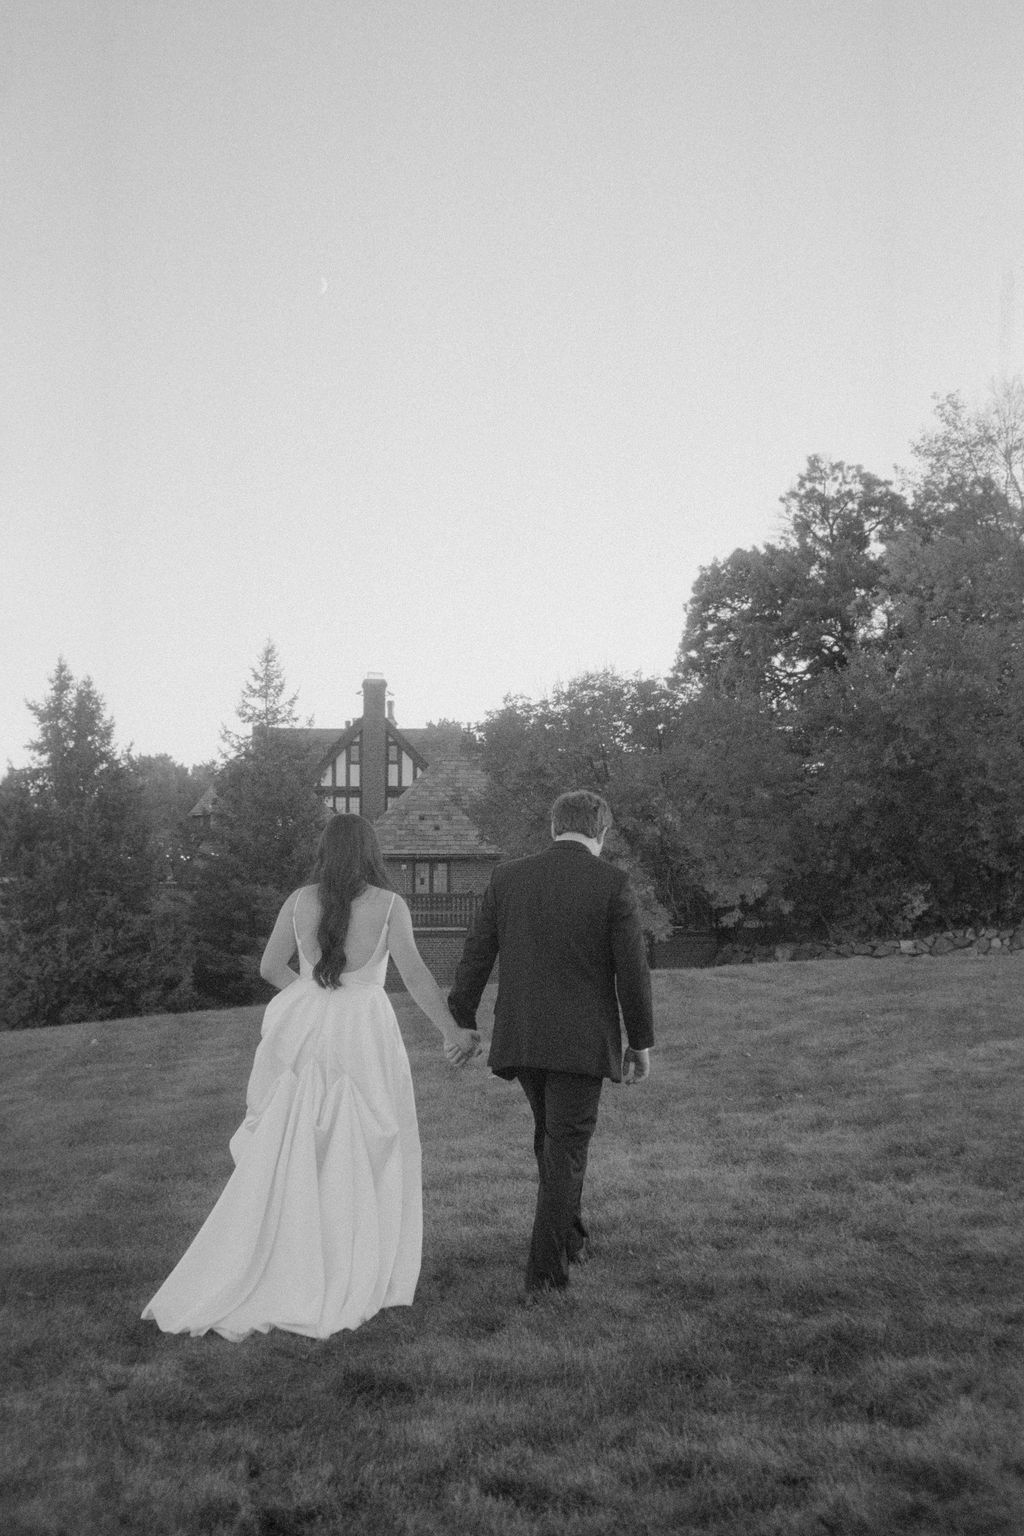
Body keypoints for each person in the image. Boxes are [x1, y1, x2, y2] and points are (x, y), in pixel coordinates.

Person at [142, 813, 479, 1341]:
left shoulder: (300, 901)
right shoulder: (390, 905)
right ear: (371, 854)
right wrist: (451, 1031)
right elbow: (414, 973)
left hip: (307, 1023)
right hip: (362, 1028)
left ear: (325, 852)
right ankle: (351, 1258)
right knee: (362, 1141)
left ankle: (287, 1255)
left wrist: (307, 993)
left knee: (295, 1138)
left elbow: (270, 968)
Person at [447, 789, 654, 1298]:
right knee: (564, 1148)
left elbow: (477, 952)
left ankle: (574, 1236)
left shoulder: (508, 877)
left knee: (552, 1140)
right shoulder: (612, 883)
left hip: (521, 1035)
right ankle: (544, 1274)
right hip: (581, 1042)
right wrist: (640, 1042)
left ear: (553, 827)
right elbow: (633, 970)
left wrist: (462, 1018)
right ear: (600, 832)